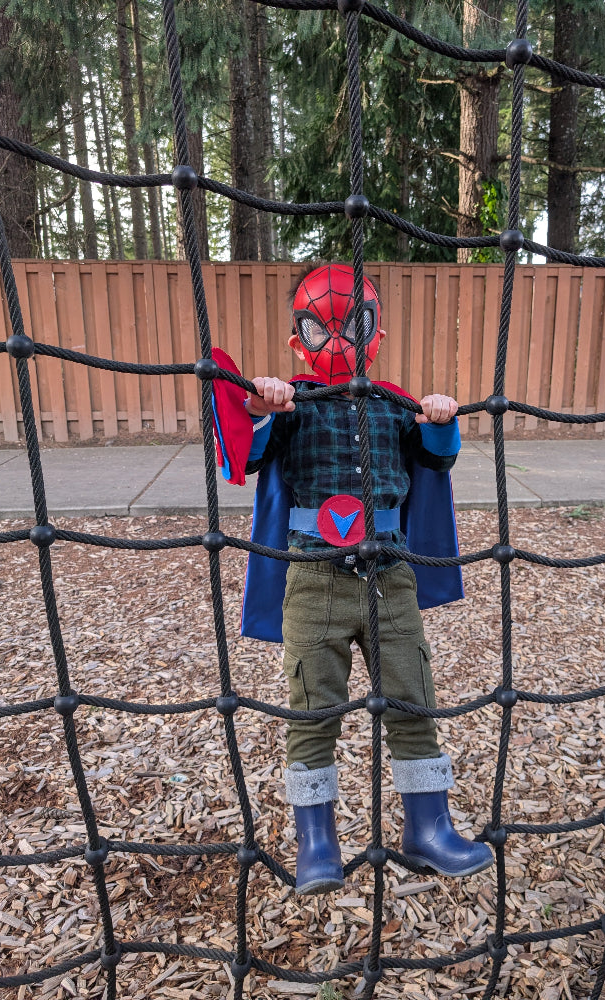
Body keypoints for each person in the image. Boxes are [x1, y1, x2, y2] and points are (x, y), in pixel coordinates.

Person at [212, 263, 492, 893]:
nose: (338, 340)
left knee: (412, 698)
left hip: (391, 577)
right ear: (299, 342)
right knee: (313, 710)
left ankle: (428, 828)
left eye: (354, 325)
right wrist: (259, 405)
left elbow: (437, 459)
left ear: (377, 335)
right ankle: (316, 841)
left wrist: (439, 418)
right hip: (315, 580)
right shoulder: (294, 404)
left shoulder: (393, 404)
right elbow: (246, 455)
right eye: (320, 328)